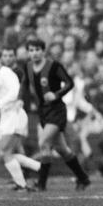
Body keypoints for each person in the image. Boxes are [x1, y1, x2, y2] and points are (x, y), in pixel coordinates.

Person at [20, 39, 90, 191]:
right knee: (62, 149)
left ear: (43, 50)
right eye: (31, 50)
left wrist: (56, 94)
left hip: (57, 111)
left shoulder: (54, 66)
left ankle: (41, 184)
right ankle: (83, 178)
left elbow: (69, 83)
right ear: (28, 52)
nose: (34, 53)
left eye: (37, 49)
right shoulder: (28, 67)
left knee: (44, 142)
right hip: (43, 112)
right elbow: (25, 84)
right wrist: (20, 100)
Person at [0, 49, 41, 191]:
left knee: (4, 152)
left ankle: (22, 183)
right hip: (7, 117)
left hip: (14, 115)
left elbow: (16, 91)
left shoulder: (6, 73)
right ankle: (40, 168)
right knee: (7, 153)